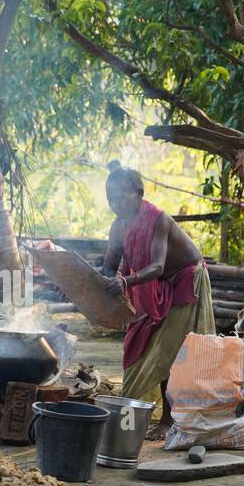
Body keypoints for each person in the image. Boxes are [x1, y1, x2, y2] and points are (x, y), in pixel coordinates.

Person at [101, 161, 215, 438]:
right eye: (110, 198)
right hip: (152, 287)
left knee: (169, 351)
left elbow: (157, 267)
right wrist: (84, 282)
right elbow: (107, 267)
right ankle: (137, 410)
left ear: (138, 193)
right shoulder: (118, 228)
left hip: (185, 281)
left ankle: (168, 420)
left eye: (121, 196)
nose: (115, 203)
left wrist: (125, 281)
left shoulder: (158, 219)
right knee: (140, 344)